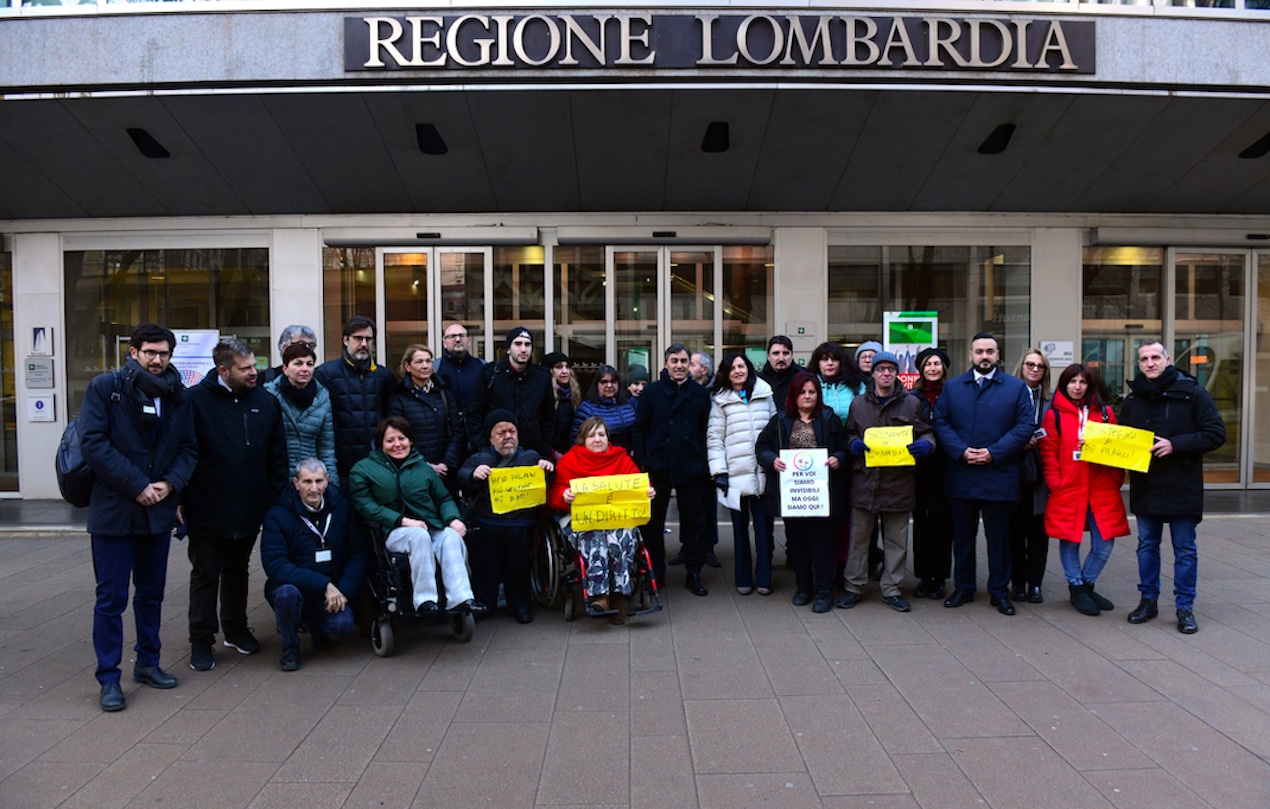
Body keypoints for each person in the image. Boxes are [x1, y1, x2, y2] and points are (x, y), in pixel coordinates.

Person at [80, 323, 197, 712]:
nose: (157, 360)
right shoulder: (105, 388)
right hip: (115, 511)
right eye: (150, 352)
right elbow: (93, 443)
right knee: (110, 599)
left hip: (157, 512)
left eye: (164, 353)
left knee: (152, 594)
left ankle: (148, 663)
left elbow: (189, 448)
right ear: (133, 353)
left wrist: (169, 484)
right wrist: (138, 485)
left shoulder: (180, 395)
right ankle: (108, 678)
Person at [184, 338, 290, 671]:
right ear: (223, 370)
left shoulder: (266, 402)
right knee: (205, 574)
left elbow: (277, 456)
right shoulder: (194, 402)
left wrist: (274, 502)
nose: (253, 373)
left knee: (238, 570)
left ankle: (235, 628)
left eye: (254, 366)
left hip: (249, 506)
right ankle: (201, 641)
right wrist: (181, 500)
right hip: (205, 506)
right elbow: (185, 453)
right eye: (245, 369)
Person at [1119, 339, 1226, 634]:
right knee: (1147, 546)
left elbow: (1216, 433)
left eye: (1155, 357)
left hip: (1182, 485)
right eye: (1144, 359)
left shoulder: (1192, 394)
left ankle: (1185, 608)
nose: (1150, 363)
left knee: (1185, 550)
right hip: (1147, 485)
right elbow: (1122, 439)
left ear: (1167, 359)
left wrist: (1175, 445)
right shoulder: (1132, 400)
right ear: (1138, 364)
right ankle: (1147, 601)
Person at [932, 332, 1035, 616]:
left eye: (990, 351)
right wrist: (962, 451)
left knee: (999, 539)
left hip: (999, 474)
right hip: (961, 473)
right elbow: (940, 423)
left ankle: (999, 591)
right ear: (970, 355)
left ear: (998, 354)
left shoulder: (1016, 388)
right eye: (979, 351)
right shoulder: (952, 388)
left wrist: (994, 452)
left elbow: (1025, 426)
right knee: (962, 537)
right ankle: (963, 587)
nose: (985, 356)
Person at [349, 417, 484, 617]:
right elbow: (366, 505)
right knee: (418, 536)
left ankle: (460, 598)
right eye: (390, 440)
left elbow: (443, 498)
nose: (397, 444)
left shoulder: (423, 468)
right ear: (381, 444)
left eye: (401, 438)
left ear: (410, 440)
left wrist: (453, 518)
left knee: (451, 537)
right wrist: (402, 520)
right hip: (394, 530)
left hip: (431, 526)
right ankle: (425, 601)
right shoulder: (363, 469)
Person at [840, 351, 935, 612]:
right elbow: (848, 434)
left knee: (896, 541)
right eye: (880, 369)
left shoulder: (911, 404)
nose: (886, 373)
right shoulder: (858, 404)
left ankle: (892, 588)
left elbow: (926, 432)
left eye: (891, 369)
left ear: (897, 373)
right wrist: (853, 445)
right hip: (865, 483)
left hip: (898, 484)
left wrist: (926, 446)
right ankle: (854, 586)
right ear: (872, 373)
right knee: (859, 539)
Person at [1039, 364, 1130, 617]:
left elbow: (1117, 451)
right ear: (1064, 384)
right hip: (1068, 486)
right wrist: (1056, 483)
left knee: (1104, 544)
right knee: (1070, 539)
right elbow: (1048, 453)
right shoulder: (1054, 415)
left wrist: (1114, 479)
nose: (1077, 387)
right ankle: (1077, 587)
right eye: (1072, 381)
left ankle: (1086, 584)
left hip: (1101, 487)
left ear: (1090, 385)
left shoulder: (1104, 414)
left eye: (1082, 382)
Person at [260, 458, 365, 671]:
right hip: (295, 587)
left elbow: (358, 553)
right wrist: (324, 584)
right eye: (307, 482)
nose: (314, 488)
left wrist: (343, 591)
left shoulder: (343, 509)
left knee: (343, 625)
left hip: (332, 589)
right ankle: (290, 647)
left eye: (319, 481)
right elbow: (276, 565)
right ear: (295, 483)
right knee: (287, 595)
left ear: (327, 481)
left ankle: (318, 628)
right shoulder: (277, 516)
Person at [549, 417, 656, 625]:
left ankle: (618, 598)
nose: (597, 439)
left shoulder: (621, 459)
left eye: (601, 435)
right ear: (582, 439)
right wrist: (564, 495)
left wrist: (648, 491)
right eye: (591, 435)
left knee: (622, 538)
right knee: (594, 538)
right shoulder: (570, 461)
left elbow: (639, 484)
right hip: (581, 519)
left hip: (617, 518)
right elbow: (553, 494)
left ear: (608, 439)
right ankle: (601, 596)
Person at [757, 372, 847, 612]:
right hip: (793, 497)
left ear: (818, 394)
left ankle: (825, 591)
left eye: (812, 392)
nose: (807, 396)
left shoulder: (830, 419)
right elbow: (762, 446)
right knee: (797, 543)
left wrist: (838, 458)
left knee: (822, 543)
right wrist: (771, 460)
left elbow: (845, 448)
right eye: (803, 392)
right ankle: (803, 587)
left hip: (821, 495)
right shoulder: (781, 420)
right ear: (794, 395)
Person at [458, 410, 555, 624]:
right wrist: (473, 475)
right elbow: (461, 476)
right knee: (486, 568)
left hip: (521, 524)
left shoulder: (530, 457)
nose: (508, 436)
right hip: (487, 524)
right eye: (501, 433)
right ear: (491, 438)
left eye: (512, 431)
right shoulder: (479, 458)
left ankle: (520, 605)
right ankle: (485, 603)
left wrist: (548, 468)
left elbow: (548, 482)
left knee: (518, 566)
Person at [633, 343, 713, 595]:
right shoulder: (652, 392)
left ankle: (694, 572)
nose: (679, 366)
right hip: (658, 465)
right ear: (666, 364)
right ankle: (655, 572)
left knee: (693, 522)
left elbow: (705, 430)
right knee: (653, 523)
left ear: (690, 365)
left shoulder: (700, 394)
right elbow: (640, 428)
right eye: (674, 361)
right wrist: (643, 459)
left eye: (683, 361)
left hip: (691, 466)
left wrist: (703, 461)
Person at [707, 353, 777, 595]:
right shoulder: (719, 400)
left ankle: (765, 579)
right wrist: (719, 472)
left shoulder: (765, 394)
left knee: (764, 531)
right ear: (726, 373)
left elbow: (776, 430)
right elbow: (714, 438)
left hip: (763, 474)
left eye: (741, 366)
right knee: (739, 531)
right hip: (735, 477)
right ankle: (743, 578)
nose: (738, 371)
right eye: (732, 368)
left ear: (748, 368)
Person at [314, 316, 395, 484]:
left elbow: (390, 417)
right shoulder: (325, 374)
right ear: (345, 340)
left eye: (368, 339)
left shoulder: (383, 375)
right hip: (340, 465)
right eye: (358, 338)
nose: (364, 344)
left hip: (378, 463)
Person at [811, 341, 866, 587]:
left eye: (834, 359)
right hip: (817, 460)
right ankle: (822, 568)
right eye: (825, 358)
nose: (830, 363)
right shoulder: (809, 385)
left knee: (846, 517)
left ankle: (845, 567)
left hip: (851, 457)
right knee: (822, 517)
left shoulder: (858, 386)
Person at [388, 343, 464, 497]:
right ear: (407, 366)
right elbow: (397, 437)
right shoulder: (398, 397)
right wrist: (425, 465)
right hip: (414, 471)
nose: (425, 366)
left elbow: (458, 431)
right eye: (419, 362)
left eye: (428, 361)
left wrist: (446, 463)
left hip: (445, 472)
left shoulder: (444, 394)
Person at [465, 326, 555, 457]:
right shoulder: (490, 374)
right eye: (518, 344)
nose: (523, 349)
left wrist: (544, 452)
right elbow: (474, 414)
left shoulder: (542, 376)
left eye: (527, 345)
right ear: (508, 349)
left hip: (532, 452)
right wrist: (483, 449)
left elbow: (549, 418)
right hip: (495, 452)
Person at [1009, 349, 1053, 604]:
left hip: (1042, 475)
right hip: (1013, 471)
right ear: (1021, 367)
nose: (1035, 369)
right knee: (1014, 532)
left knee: (1038, 533)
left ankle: (1035, 583)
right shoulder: (1007, 395)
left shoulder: (1053, 400)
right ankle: (1018, 583)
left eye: (1040, 366)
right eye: (1030, 364)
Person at [264, 341, 339, 487]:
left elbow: (326, 450)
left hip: (310, 481)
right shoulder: (269, 395)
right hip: (277, 478)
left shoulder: (322, 398)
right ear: (285, 369)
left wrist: (333, 488)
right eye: (298, 363)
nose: (305, 369)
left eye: (309, 364)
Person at [910, 347, 953, 600]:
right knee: (921, 525)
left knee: (943, 526)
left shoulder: (954, 394)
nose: (933, 368)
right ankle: (923, 577)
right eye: (928, 364)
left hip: (947, 466)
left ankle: (940, 577)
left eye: (937, 363)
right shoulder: (912, 397)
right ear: (921, 368)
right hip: (920, 465)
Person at [570, 364, 638, 450]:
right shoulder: (586, 408)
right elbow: (576, 440)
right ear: (597, 385)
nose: (609, 386)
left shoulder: (629, 404)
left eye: (613, 381)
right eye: (604, 382)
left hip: (625, 459)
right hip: (598, 459)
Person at [434, 322, 486, 415]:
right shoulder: (435, 368)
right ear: (444, 343)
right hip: (447, 427)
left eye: (462, 336)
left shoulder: (483, 367)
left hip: (475, 426)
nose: (458, 339)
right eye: (452, 336)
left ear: (468, 341)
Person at [544, 351, 579, 459]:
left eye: (567, 367)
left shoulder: (574, 394)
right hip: (547, 454)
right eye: (559, 367)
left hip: (569, 452)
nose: (565, 371)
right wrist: (553, 453)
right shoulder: (544, 395)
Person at [758, 335, 797, 410]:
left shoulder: (802, 377)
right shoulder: (759, 381)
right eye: (776, 353)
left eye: (785, 353)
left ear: (792, 355)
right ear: (768, 356)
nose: (781, 358)